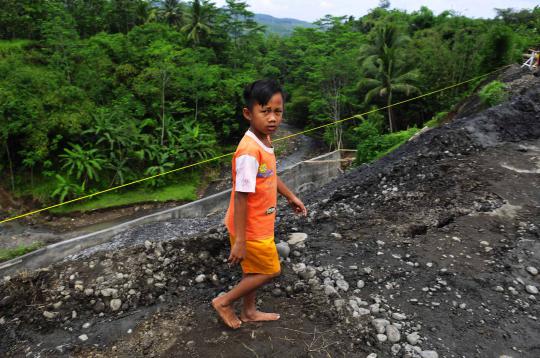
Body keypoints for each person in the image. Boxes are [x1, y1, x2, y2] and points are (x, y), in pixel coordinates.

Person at [212, 79, 307, 329]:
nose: (273, 118)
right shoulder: (248, 152)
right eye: (265, 111)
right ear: (248, 113)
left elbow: (271, 175)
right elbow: (241, 196)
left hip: (259, 223)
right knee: (270, 270)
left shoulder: (264, 140)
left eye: (278, 111)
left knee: (253, 271)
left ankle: (249, 311)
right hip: (250, 228)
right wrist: (241, 240)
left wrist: (290, 196)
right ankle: (224, 302)